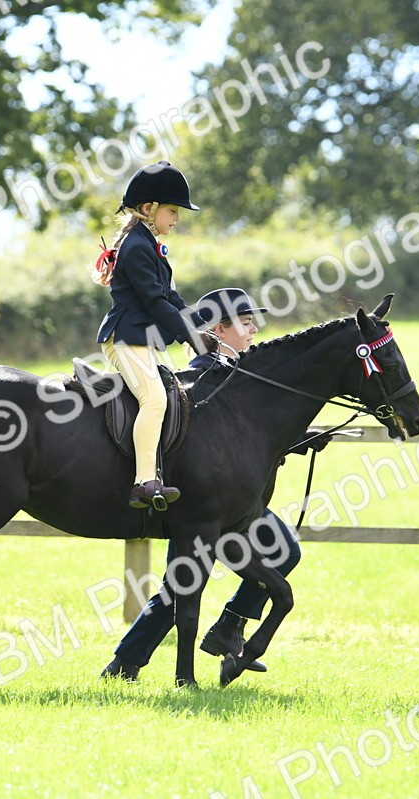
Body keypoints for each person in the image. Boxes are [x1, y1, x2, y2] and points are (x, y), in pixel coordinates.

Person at [101, 288, 329, 680]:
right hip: (202, 501)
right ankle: (127, 661)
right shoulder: (207, 372)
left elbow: (251, 432)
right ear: (219, 330)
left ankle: (229, 626)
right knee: (181, 587)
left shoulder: (237, 372)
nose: (254, 328)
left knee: (284, 551)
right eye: (244, 322)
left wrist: (300, 437)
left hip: (235, 502)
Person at [94, 161, 203, 510]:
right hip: (124, 338)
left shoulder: (147, 243)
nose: (178, 218)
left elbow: (170, 297)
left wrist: (197, 326)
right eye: (173, 211)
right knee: (154, 399)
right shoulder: (138, 247)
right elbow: (156, 303)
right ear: (148, 209)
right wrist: (189, 337)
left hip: (140, 338)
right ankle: (145, 482)